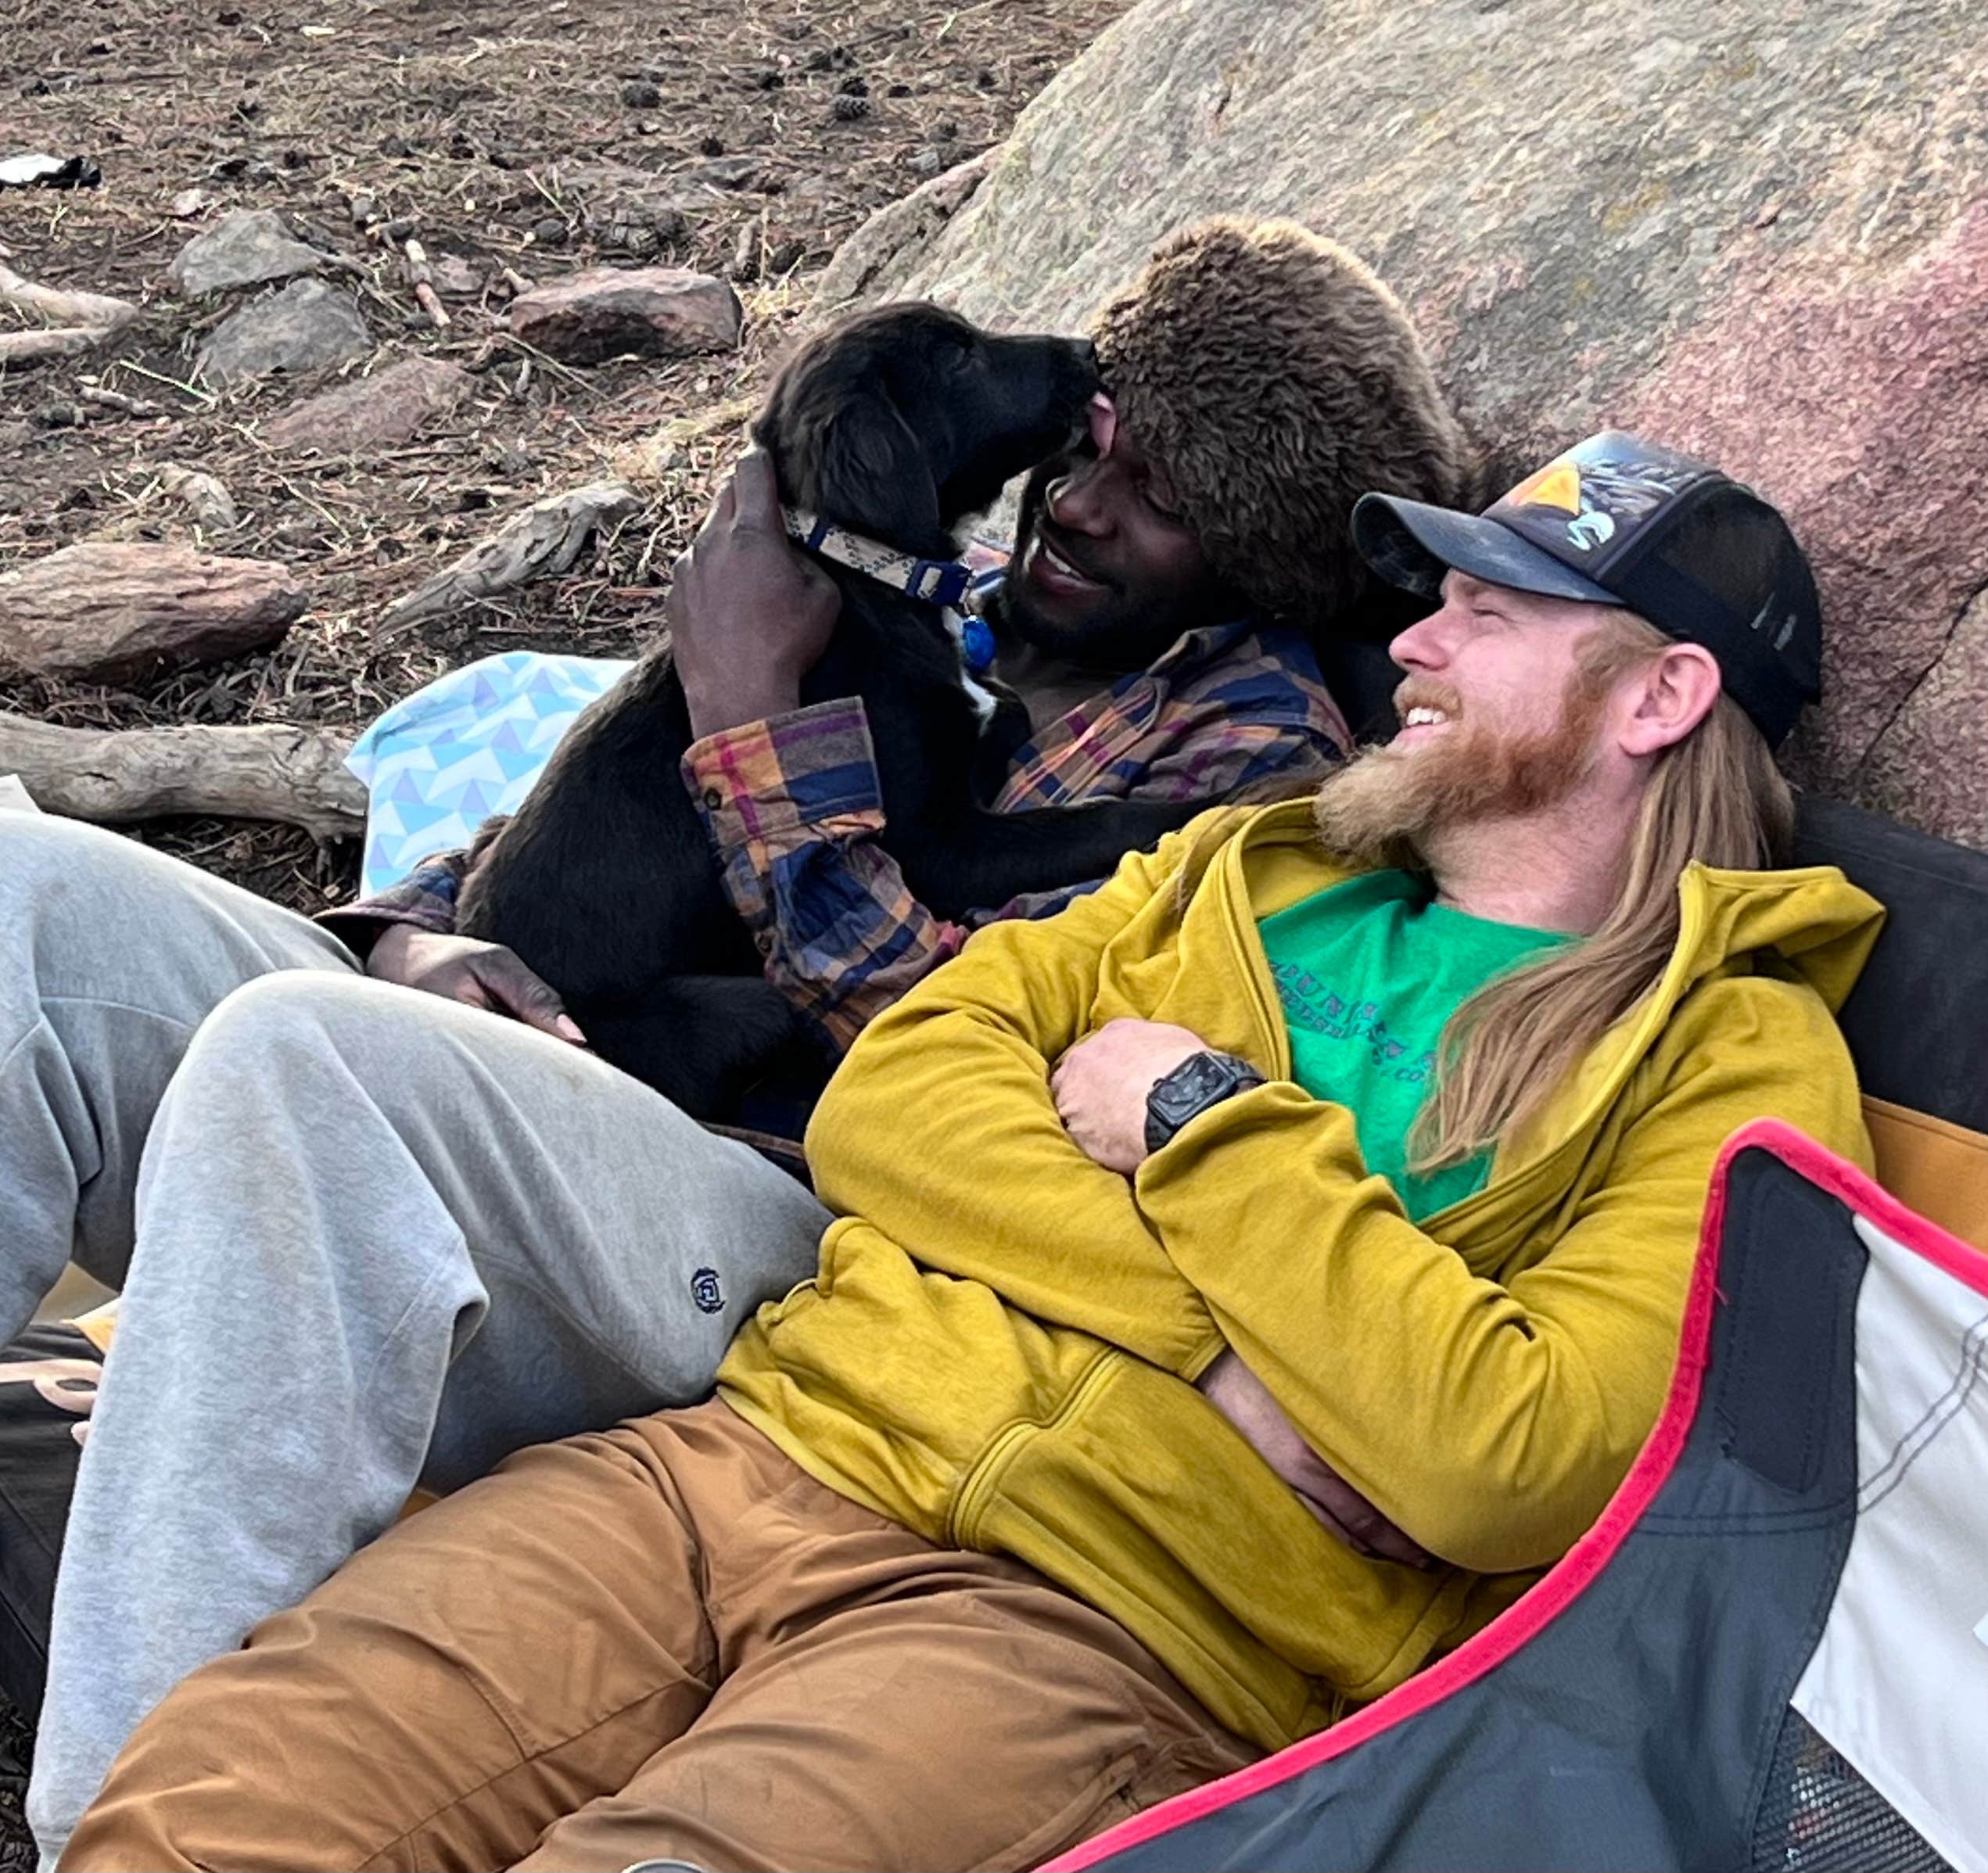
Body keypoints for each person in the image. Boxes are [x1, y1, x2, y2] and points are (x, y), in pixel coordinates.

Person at [63, 431, 1882, 1873]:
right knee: (213, 1814)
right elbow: (894, 1104)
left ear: (1652, 700)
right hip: (753, 1451)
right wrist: (1243, 1350)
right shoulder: (1237, 871)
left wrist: (1190, 1119)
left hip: (1110, 1625)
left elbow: (1508, 1460)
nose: (1410, 637)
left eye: (1491, 608)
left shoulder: (1730, 1059)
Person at [2, 217, 1470, 1864]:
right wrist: (408, 935)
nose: (1082, 502)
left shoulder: (1253, 751)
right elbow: (589, 831)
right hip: (566, 1056)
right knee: (26, 903)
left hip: (782, 1207)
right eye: (1099, 442)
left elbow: (963, 1065)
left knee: (304, 1063)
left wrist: (748, 715)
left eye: (1163, 501)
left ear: (1256, 553)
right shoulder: (941, 579)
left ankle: (115, 1817)